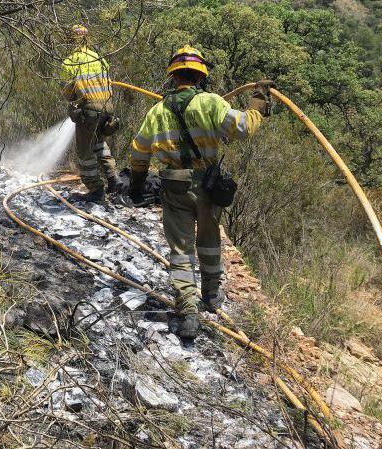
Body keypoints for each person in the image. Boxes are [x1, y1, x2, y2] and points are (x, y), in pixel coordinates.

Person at [127, 44, 274, 339]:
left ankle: (187, 313)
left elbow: (139, 152)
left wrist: (137, 184)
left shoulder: (157, 111)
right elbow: (243, 127)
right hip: (207, 187)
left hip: (173, 187)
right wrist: (258, 101)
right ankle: (211, 294)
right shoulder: (211, 102)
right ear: (200, 76)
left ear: (173, 77)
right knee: (208, 241)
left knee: (180, 250)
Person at [60, 24, 120, 202]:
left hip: (90, 110)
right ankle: (113, 179)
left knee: (85, 152)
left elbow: (68, 93)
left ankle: (96, 190)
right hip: (107, 107)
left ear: (69, 41)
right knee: (99, 144)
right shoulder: (98, 58)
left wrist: (75, 108)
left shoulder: (70, 62)